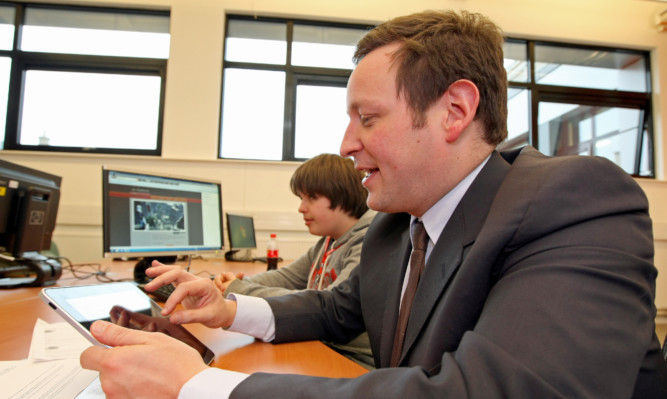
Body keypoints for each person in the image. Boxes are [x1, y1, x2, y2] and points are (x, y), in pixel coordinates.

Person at [80, 9, 667, 398]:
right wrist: (228, 311)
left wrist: (197, 387)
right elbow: (337, 311)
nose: (346, 145)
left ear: (454, 112)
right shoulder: (396, 224)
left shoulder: (574, 201)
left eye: (368, 118)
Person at [214, 153, 376, 368]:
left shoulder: (367, 243)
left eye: (311, 198)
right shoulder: (327, 242)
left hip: (352, 362)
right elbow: (285, 277)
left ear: (342, 194)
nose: (301, 207)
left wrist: (238, 289)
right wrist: (239, 284)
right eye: (301, 198)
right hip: (323, 346)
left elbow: (325, 304)